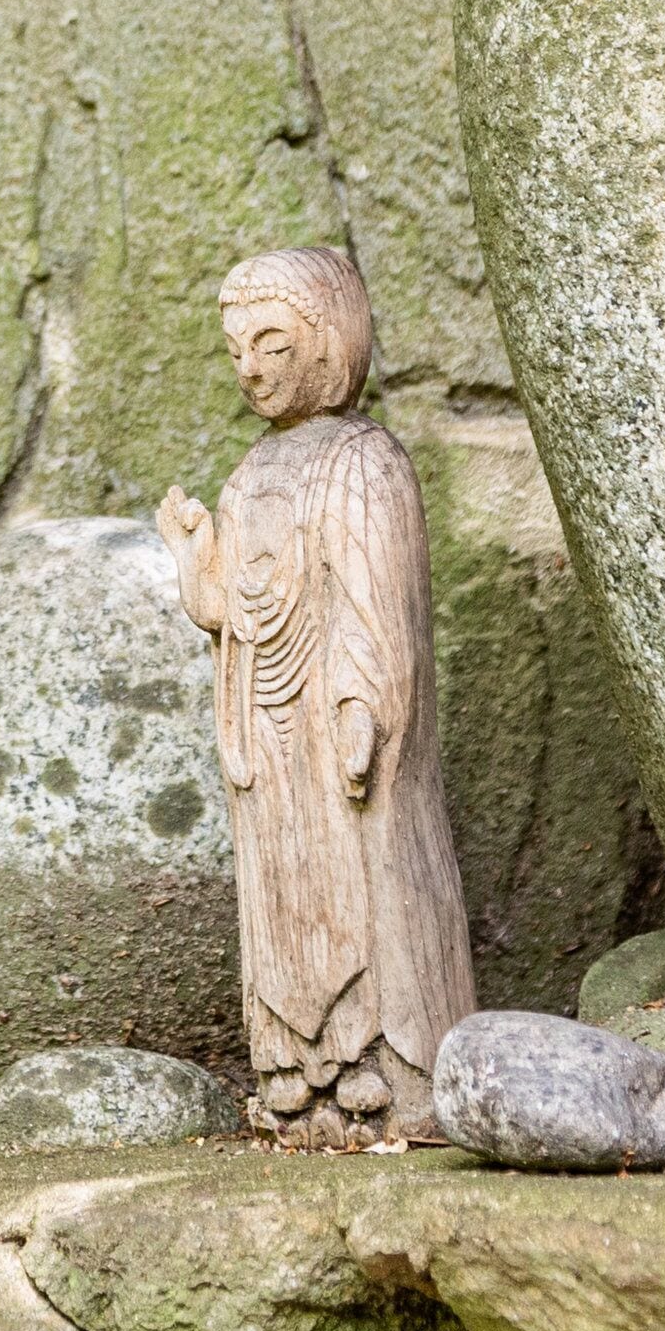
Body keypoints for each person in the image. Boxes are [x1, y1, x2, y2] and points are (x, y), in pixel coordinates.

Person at [155, 245, 477, 1145]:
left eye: (273, 344)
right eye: (236, 352)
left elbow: (378, 610)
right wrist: (195, 563)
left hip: (341, 726)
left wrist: (361, 708)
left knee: (366, 882)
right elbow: (233, 615)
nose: (251, 369)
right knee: (287, 895)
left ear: (329, 345)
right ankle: (296, 1074)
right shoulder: (250, 474)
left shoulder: (364, 463)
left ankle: (387, 1076)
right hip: (269, 733)